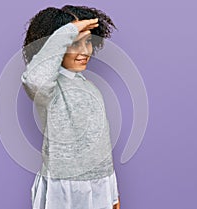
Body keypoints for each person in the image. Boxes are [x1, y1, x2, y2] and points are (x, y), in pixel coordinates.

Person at [21, 5, 120, 209]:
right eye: (74, 43)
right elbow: (34, 79)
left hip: (99, 185)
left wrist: (112, 194)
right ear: (54, 45)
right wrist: (68, 31)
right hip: (63, 189)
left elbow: (100, 147)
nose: (85, 52)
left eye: (88, 42)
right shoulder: (49, 89)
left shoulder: (88, 87)